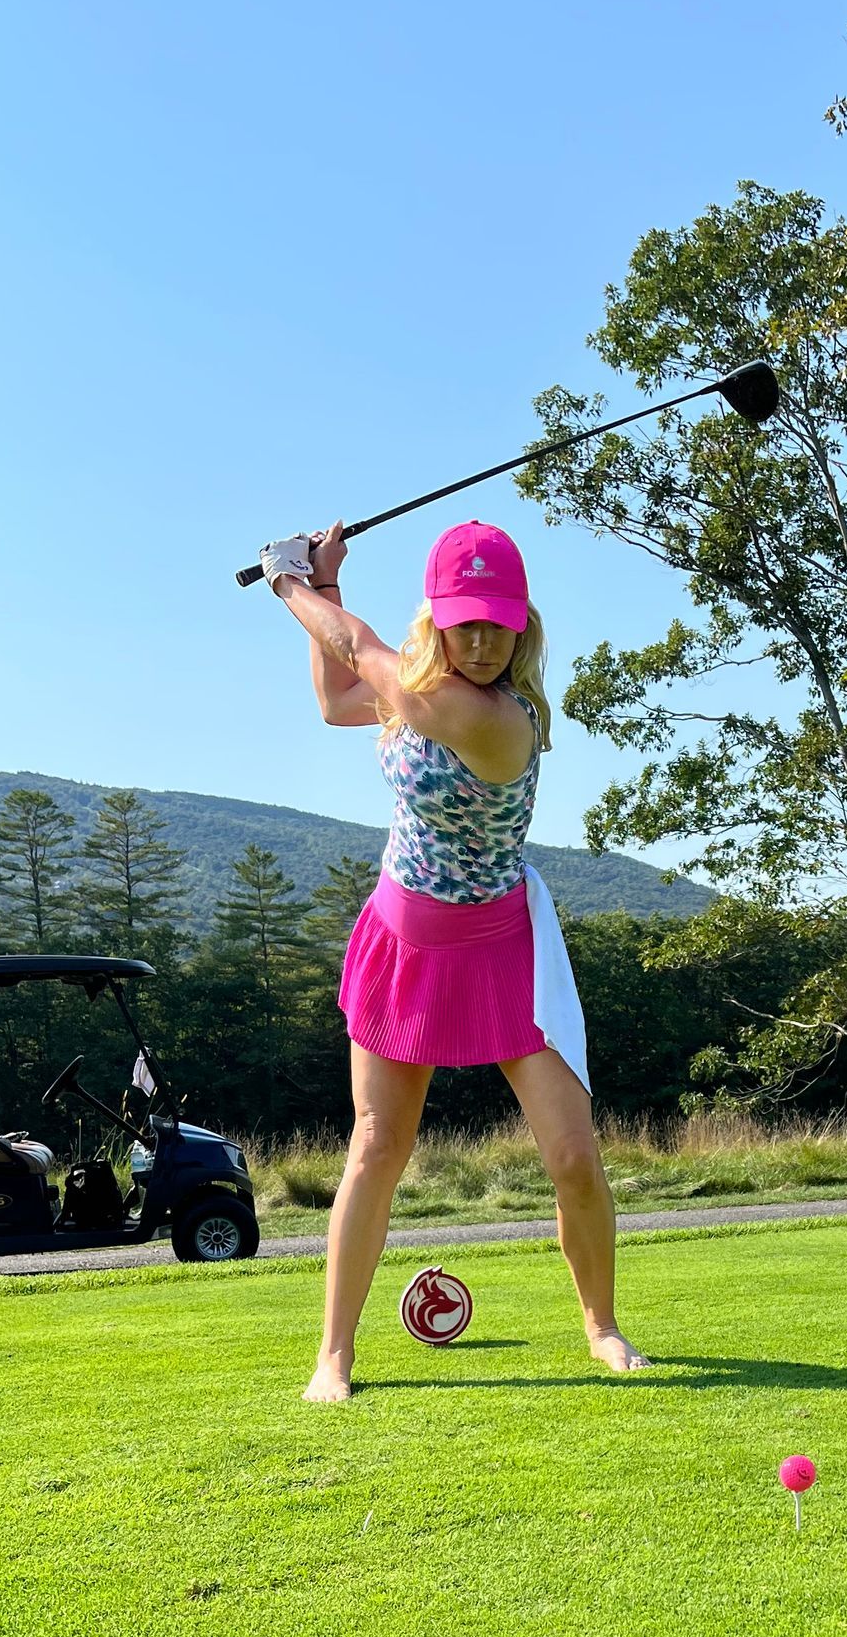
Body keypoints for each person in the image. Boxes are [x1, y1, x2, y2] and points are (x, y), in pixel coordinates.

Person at [263, 516, 648, 1401]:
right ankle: (334, 1354)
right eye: (463, 620)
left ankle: (601, 1324)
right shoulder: (416, 691)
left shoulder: (501, 719)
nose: (480, 639)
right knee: (376, 1146)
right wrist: (324, 584)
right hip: (406, 941)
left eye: (497, 621)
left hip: (504, 944)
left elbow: (355, 649)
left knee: (573, 1156)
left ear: (523, 626)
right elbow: (335, 695)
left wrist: (291, 584)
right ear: (437, 617)